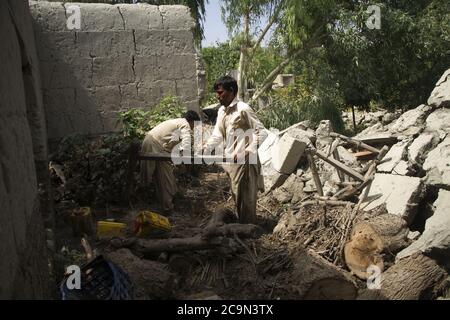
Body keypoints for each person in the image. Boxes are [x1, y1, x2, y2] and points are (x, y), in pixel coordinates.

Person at [203, 76, 267, 223]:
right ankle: (243, 226)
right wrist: (206, 147)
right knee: (237, 195)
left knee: (246, 198)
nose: (217, 96)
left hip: (245, 162)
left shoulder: (243, 109)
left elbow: (261, 132)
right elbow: (217, 134)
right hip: (231, 162)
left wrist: (247, 151)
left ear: (231, 91)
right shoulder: (221, 111)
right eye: (217, 93)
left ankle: (249, 230)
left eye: (220, 93)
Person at [140, 110, 200, 213]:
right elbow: (186, 146)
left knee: (164, 178)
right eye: (195, 125)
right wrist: (185, 163)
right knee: (152, 178)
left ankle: (166, 205)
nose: (194, 128)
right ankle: (152, 206)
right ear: (192, 122)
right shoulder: (185, 125)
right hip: (153, 145)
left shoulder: (178, 122)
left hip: (156, 145)